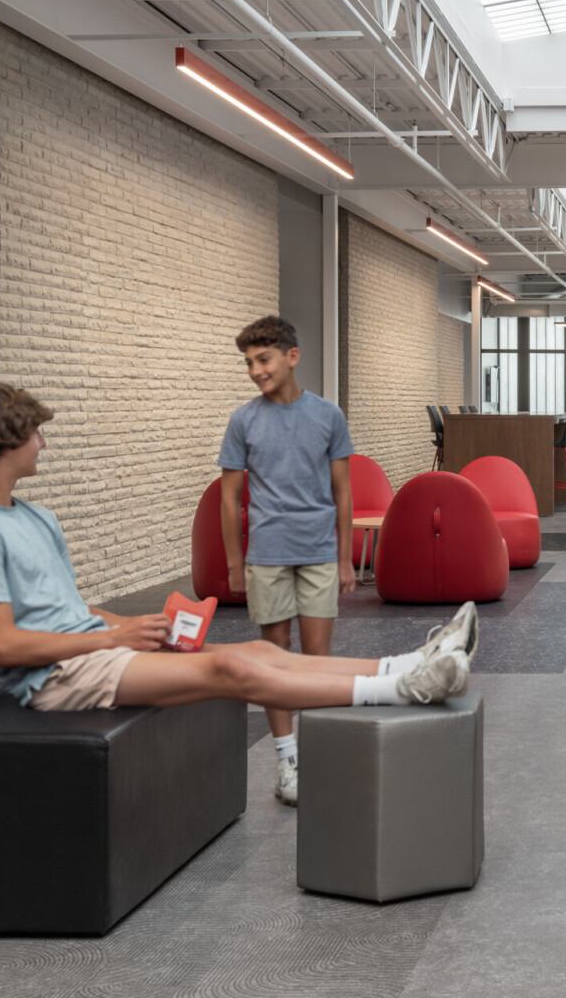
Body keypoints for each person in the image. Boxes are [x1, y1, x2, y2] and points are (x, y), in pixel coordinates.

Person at [0, 382, 475, 729]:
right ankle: (403, 689)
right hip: (54, 678)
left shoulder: (33, 516)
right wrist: (112, 638)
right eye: (34, 434)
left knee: (261, 653)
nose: (43, 444)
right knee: (230, 665)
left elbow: (67, 610)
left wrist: (139, 625)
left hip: (88, 652)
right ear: (6, 441)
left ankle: (407, 663)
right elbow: (4, 645)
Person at [218, 315, 355, 806]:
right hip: (267, 556)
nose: (255, 370)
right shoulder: (244, 421)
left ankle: (316, 752)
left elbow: (342, 492)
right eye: (249, 362)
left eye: (263, 359)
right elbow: (229, 498)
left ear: (291, 357)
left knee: (316, 662)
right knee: (275, 662)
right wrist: (236, 564)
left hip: (318, 551)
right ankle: (286, 759)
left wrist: (344, 559)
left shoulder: (327, 416)